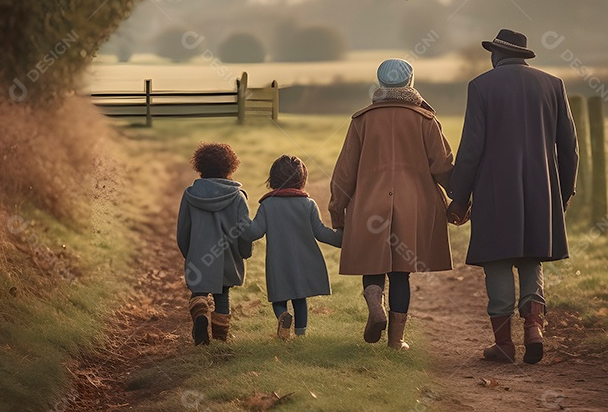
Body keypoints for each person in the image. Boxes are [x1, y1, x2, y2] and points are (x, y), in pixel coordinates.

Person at [447, 29, 578, 364]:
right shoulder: (553, 84)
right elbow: (569, 148)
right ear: (523, 55)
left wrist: (459, 198)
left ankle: (504, 344)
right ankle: (534, 328)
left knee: (498, 260)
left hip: (494, 188)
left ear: (496, 55)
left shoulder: (481, 86)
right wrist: (561, 194)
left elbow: (472, 148)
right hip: (541, 187)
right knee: (532, 256)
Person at [329, 58, 455, 350]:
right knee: (401, 272)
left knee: (372, 264)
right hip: (413, 207)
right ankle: (396, 341)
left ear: (381, 84)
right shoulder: (426, 121)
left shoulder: (361, 120)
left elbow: (345, 172)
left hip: (368, 203)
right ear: (410, 83)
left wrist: (338, 213)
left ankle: (375, 305)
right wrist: (460, 201)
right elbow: (443, 167)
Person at [243, 155, 342, 339]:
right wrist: (343, 239)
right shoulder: (308, 204)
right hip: (304, 262)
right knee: (300, 298)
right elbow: (320, 233)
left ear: (273, 179)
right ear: (301, 179)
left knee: (278, 298)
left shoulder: (268, 205)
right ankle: (301, 335)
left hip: (278, 262)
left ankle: (282, 317)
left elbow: (254, 232)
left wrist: (239, 218)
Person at [176, 142, 254, 345]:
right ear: (230, 167)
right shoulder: (238, 197)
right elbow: (245, 233)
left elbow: (183, 231)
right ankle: (220, 341)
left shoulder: (190, 195)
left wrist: (190, 253)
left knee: (199, 292)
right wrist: (244, 253)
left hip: (199, 255)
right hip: (227, 257)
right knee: (223, 296)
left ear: (200, 167)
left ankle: (201, 311)